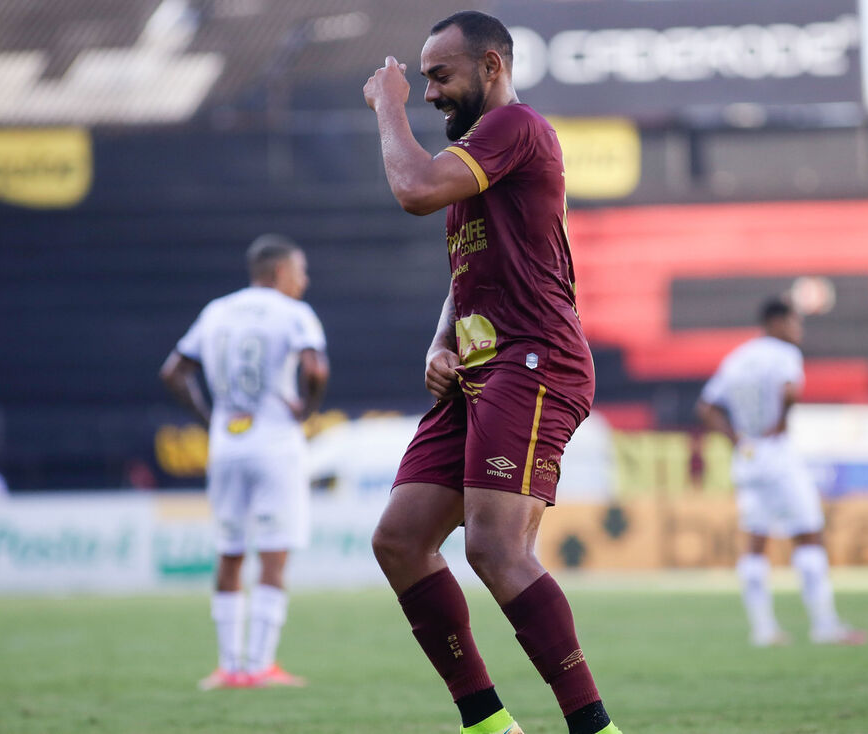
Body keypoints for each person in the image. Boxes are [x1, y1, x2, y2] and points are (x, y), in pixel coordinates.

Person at [363, 12, 621, 734]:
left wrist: (386, 105)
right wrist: (437, 342)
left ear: (493, 68)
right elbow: (470, 275)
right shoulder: (481, 156)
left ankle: (593, 727)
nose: (429, 92)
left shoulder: (515, 126)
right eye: (420, 81)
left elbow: (413, 190)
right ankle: (487, 723)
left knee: (495, 548)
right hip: (478, 369)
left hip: (534, 359)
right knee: (400, 540)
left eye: (440, 76)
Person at [160, 234, 329, 690]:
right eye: (299, 271)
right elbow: (315, 369)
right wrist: (307, 411)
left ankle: (228, 666)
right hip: (275, 441)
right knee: (273, 554)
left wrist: (209, 417)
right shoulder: (294, 313)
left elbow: (173, 371)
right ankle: (260, 666)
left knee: (229, 551)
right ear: (278, 273)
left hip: (227, 444)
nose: (305, 280)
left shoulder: (216, 311)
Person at [696, 297, 868, 647]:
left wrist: (736, 439)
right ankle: (824, 626)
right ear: (776, 323)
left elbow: (707, 406)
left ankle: (763, 630)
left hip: (747, 454)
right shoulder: (785, 354)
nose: (798, 330)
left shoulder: (738, 358)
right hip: (777, 451)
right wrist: (781, 423)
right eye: (794, 323)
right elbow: (789, 392)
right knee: (808, 535)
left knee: (755, 542)